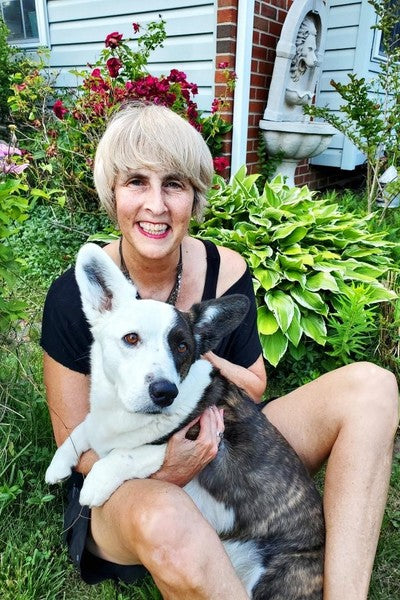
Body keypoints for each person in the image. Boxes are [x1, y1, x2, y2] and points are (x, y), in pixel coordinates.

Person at [41, 102, 399, 600]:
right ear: (112, 194)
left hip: (226, 451)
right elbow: (74, 442)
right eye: (137, 182)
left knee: (372, 386)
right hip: (125, 484)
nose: (156, 205)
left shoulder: (225, 270)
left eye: (174, 184)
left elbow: (253, 386)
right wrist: (167, 467)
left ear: (194, 197)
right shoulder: (79, 295)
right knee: (167, 517)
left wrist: (186, 352)